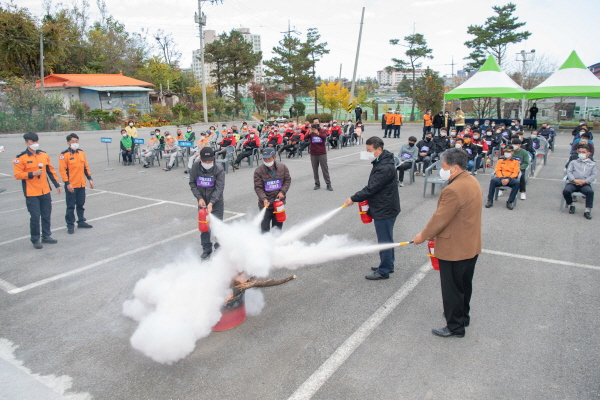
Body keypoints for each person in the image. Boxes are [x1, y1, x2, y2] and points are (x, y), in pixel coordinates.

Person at [411, 148, 482, 338]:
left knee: (451, 289)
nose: (441, 170)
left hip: (454, 248)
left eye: (443, 166)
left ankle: (455, 326)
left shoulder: (453, 190)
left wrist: (423, 236)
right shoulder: (472, 181)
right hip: (470, 245)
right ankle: (463, 316)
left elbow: (440, 219)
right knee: (464, 285)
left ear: (455, 168)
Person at [344, 136, 400, 280]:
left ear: (379, 149)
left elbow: (371, 188)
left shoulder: (384, 167)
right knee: (387, 238)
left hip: (385, 208)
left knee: (384, 240)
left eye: (370, 150)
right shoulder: (382, 160)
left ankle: (384, 270)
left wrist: (353, 198)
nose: (368, 153)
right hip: (385, 205)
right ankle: (388, 264)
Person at [13, 132, 62, 249]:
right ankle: (35, 239)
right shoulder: (20, 158)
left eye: (36, 141)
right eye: (32, 142)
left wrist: (56, 184)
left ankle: (46, 235)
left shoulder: (44, 155)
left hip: (45, 190)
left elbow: (50, 170)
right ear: (26, 143)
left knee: (46, 214)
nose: (35, 144)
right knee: (35, 216)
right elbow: (17, 175)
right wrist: (32, 174)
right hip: (31, 192)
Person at [189, 147, 225, 259]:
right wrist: (199, 198)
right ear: (200, 159)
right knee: (204, 227)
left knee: (217, 226)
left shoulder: (219, 169)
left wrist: (212, 202)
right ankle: (206, 249)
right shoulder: (195, 167)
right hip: (202, 203)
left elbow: (219, 188)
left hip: (216, 202)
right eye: (205, 161)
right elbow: (192, 183)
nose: (208, 163)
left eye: (210, 161)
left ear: (213, 158)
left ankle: (219, 249)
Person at [58, 133, 94, 234]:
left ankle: (81, 221)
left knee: (80, 204)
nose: (75, 143)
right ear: (68, 142)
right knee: (70, 206)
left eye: (76, 141)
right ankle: (70, 225)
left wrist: (90, 179)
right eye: (73, 141)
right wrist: (67, 183)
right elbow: (63, 171)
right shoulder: (64, 155)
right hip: (71, 185)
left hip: (81, 184)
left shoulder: (81, 153)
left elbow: (85, 167)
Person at [254, 147, 292, 233]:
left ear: (274, 157)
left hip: (278, 203)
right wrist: (264, 199)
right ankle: (266, 245)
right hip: (265, 204)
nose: (267, 161)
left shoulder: (283, 167)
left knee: (277, 227)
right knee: (265, 228)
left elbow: (287, 180)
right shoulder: (258, 171)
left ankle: (276, 244)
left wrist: (282, 192)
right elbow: (258, 187)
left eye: (269, 159)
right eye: (264, 159)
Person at [563, 144, 597, 220]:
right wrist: (574, 180)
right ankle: (571, 205)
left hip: (585, 184)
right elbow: (569, 172)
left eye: (583, 152)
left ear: (588, 153)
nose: (581, 154)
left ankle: (587, 210)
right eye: (580, 152)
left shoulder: (593, 164)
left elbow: (593, 175)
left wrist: (584, 182)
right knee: (566, 191)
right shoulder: (573, 162)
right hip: (573, 183)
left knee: (590, 192)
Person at [485, 144, 521, 210]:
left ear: (512, 152)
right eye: (506, 151)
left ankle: (510, 201)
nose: (507, 153)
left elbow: (515, 172)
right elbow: (497, 170)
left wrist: (508, 179)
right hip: (500, 178)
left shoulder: (516, 161)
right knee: (493, 181)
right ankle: (490, 200)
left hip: (510, 178)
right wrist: (501, 178)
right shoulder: (500, 160)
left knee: (517, 183)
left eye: (509, 152)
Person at [307, 118, 333, 191]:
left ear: (319, 123)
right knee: (315, 169)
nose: (316, 124)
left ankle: (328, 184)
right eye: (314, 123)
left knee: (325, 169)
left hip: (322, 153)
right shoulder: (310, 131)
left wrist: (318, 133)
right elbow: (305, 138)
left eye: (317, 123)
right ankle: (317, 183)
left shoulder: (323, 130)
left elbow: (324, 138)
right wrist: (309, 132)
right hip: (313, 153)